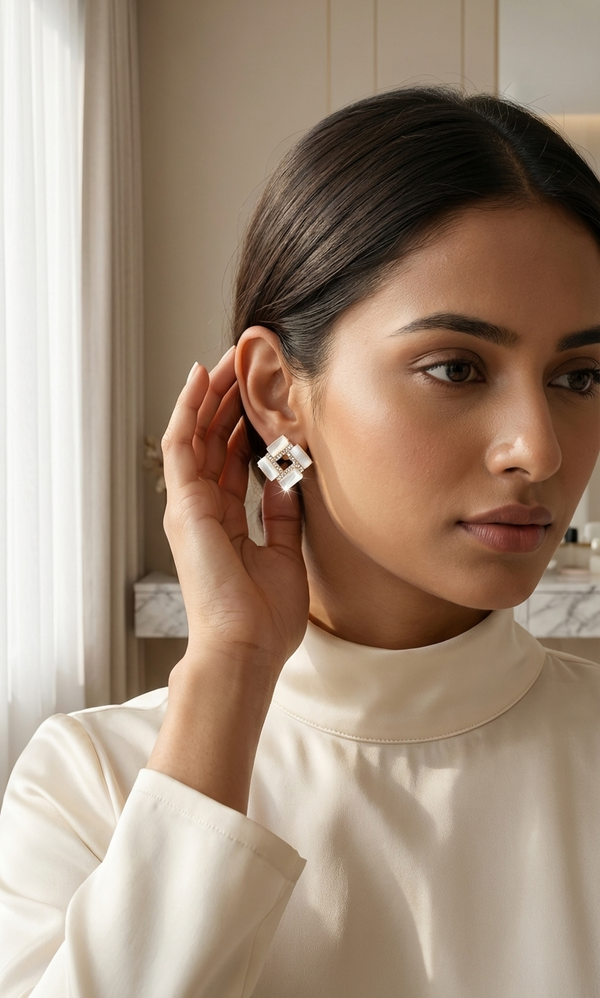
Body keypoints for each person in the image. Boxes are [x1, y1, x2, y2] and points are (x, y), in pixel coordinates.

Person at [1, 86, 600, 998]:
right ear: (278, 392)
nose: (540, 448)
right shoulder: (89, 786)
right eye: (456, 367)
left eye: (580, 375)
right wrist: (232, 669)